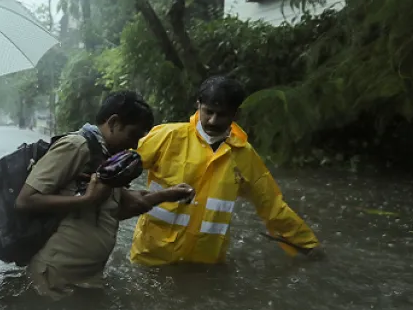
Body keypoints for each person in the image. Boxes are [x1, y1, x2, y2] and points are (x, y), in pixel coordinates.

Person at [15, 91, 194, 296]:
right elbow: (26, 200)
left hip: (88, 276)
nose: (135, 145)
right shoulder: (76, 146)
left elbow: (122, 206)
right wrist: (87, 199)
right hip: (57, 275)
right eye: (133, 135)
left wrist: (167, 195)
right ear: (113, 122)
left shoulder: (106, 158)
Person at [130, 75, 321, 266]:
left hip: (204, 263)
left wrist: (309, 245)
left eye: (221, 114)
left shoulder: (244, 156)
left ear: (235, 115)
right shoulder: (168, 136)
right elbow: (119, 169)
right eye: (208, 112)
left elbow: (272, 207)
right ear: (198, 105)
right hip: (151, 257)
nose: (213, 121)